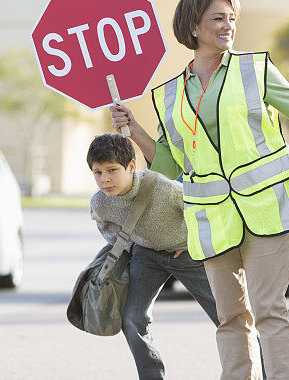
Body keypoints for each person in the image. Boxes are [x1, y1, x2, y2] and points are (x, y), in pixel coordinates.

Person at [110, 0, 289, 380]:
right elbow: (169, 164)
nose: (228, 26)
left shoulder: (254, 67)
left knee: (268, 311)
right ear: (193, 26)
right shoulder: (171, 92)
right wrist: (134, 127)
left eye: (231, 18)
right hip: (213, 218)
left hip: (267, 208)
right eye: (217, 18)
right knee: (230, 317)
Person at [86, 133, 219, 380]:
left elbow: (202, 212)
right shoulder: (100, 202)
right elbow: (106, 229)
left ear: (131, 167)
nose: (105, 180)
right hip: (146, 256)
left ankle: (259, 371)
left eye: (112, 170)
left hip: (187, 254)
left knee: (225, 315)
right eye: (98, 172)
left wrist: (192, 242)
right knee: (132, 318)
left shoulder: (163, 188)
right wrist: (133, 246)